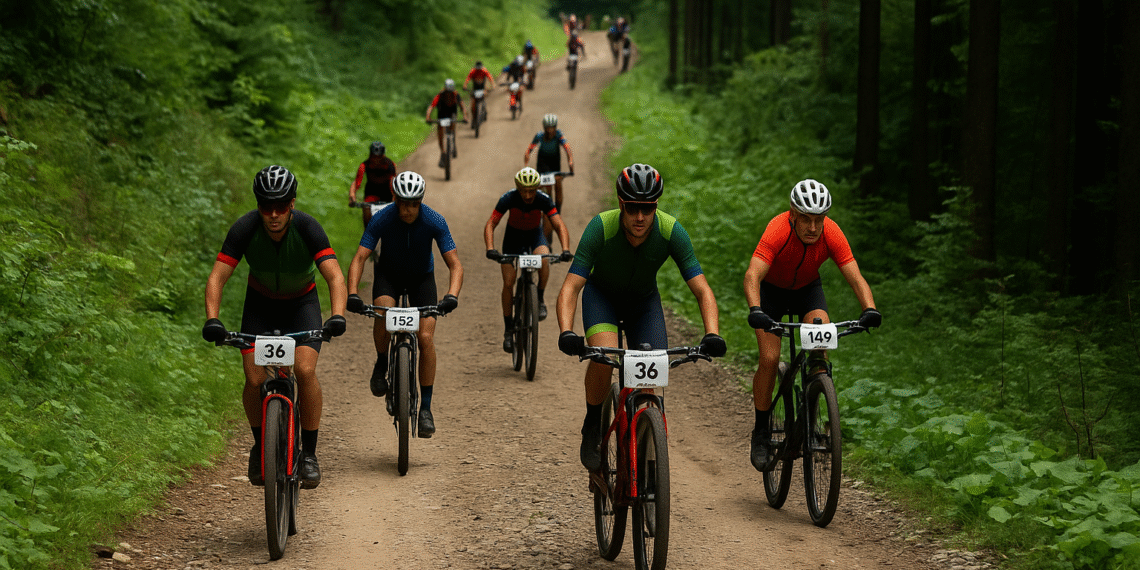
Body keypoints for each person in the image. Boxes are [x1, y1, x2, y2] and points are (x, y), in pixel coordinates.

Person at [555, 164, 726, 471]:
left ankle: (647, 461)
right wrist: (566, 331)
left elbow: (703, 290)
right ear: (621, 203)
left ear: (656, 206)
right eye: (632, 208)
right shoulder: (601, 227)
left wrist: (712, 333)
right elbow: (571, 287)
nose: (639, 217)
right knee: (604, 357)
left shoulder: (670, 230)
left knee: (650, 380)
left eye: (647, 209)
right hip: (602, 299)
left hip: (643, 305)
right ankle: (593, 423)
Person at [202, 165, 348, 489]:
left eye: (280, 206)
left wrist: (337, 315)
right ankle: (260, 447)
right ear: (258, 205)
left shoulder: (308, 228)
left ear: (292, 203)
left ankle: (309, 455)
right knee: (254, 378)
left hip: (302, 304)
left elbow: (335, 276)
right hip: (261, 305)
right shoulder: (245, 228)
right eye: (266, 206)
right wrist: (213, 319)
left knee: (305, 370)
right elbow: (217, 277)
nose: (273, 214)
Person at [743, 179, 881, 471]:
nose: (813, 227)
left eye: (819, 219)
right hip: (772, 294)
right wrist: (756, 310)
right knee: (769, 358)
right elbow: (753, 275)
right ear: (793, 214)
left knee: (820, 344)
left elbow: (855, 276)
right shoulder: (778, 229)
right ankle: (761, 431)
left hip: (807, 291)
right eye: (806, 219)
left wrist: (869, 308)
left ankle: (813, 408)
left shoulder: (831, 233)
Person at [345, 171, 463, 438]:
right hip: (389, 277)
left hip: (422, 279)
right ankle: (381, 362)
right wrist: (352, 293)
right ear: (395, 200)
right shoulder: (382, 218)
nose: (408, 210)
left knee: (425, 338)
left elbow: (455, 264)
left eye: (414, 204)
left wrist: (451, 296)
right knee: (382, 313)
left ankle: (426, 409)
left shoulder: (434, 220)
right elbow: (360, 257)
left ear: (421, 201)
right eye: (403, 203)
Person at [484, 167, 574, 350]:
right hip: (513, 239)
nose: (527, 195)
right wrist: (490, 248)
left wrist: (565, 249)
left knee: (544, 258)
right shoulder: (508, 198)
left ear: (537, 188)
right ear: (518, 189)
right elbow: (491, 224)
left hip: (534, 236)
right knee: (508, 282)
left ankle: (539, 298)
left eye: (531, 191)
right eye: (523, 191)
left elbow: (559, 225)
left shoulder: (544, 199)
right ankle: (508, 329)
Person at [523, 113, 574, 242]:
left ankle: (558, 210)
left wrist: (570, 160)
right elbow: (530, 148)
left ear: (555, 127)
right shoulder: (539, 136)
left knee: (558, 183)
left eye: (552, 128)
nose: (550, 130)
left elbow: (567, 147)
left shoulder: (559, 135)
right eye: (548, 128)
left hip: (554, 165)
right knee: (543, 190)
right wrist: (526, 161)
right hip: (542, 166)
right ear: (544, 128)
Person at [348, 141, 397, 227]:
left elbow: (394, 182)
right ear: (370, 155)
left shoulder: (390, 165)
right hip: (371, 193)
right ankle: (368, 232)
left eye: (379, 157)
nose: (376, 160)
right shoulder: (364, 165)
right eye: (374, 157)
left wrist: (395, 196)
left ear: (383, 156)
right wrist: (352, 194)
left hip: (387, 193)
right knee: (366, 209)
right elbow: (357, 182)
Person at [425, 79, 466, 168]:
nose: (448, 94)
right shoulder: (439, 96)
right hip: (442, 114)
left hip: (452, 113)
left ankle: (452, 141)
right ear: (444, 90)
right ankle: (443, 152)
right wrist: (428, 117)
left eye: (450, 92)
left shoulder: (456, 95)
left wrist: (465, 116)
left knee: (452, 126)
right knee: (440, 133)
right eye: (447, 92)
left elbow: (461, 105)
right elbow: (431, 106)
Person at [462, 61, 496, 125]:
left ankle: (484, 108)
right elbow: (468, 79)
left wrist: (493, 85)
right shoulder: (473, 71)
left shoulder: (484, 70)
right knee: (473, 104)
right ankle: (473, 117)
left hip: (482, 88)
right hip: (475, 88)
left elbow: (490, 78)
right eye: (477, 69)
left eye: (479, 69)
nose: (479, 70)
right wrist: (465, 85)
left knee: (484, 96)